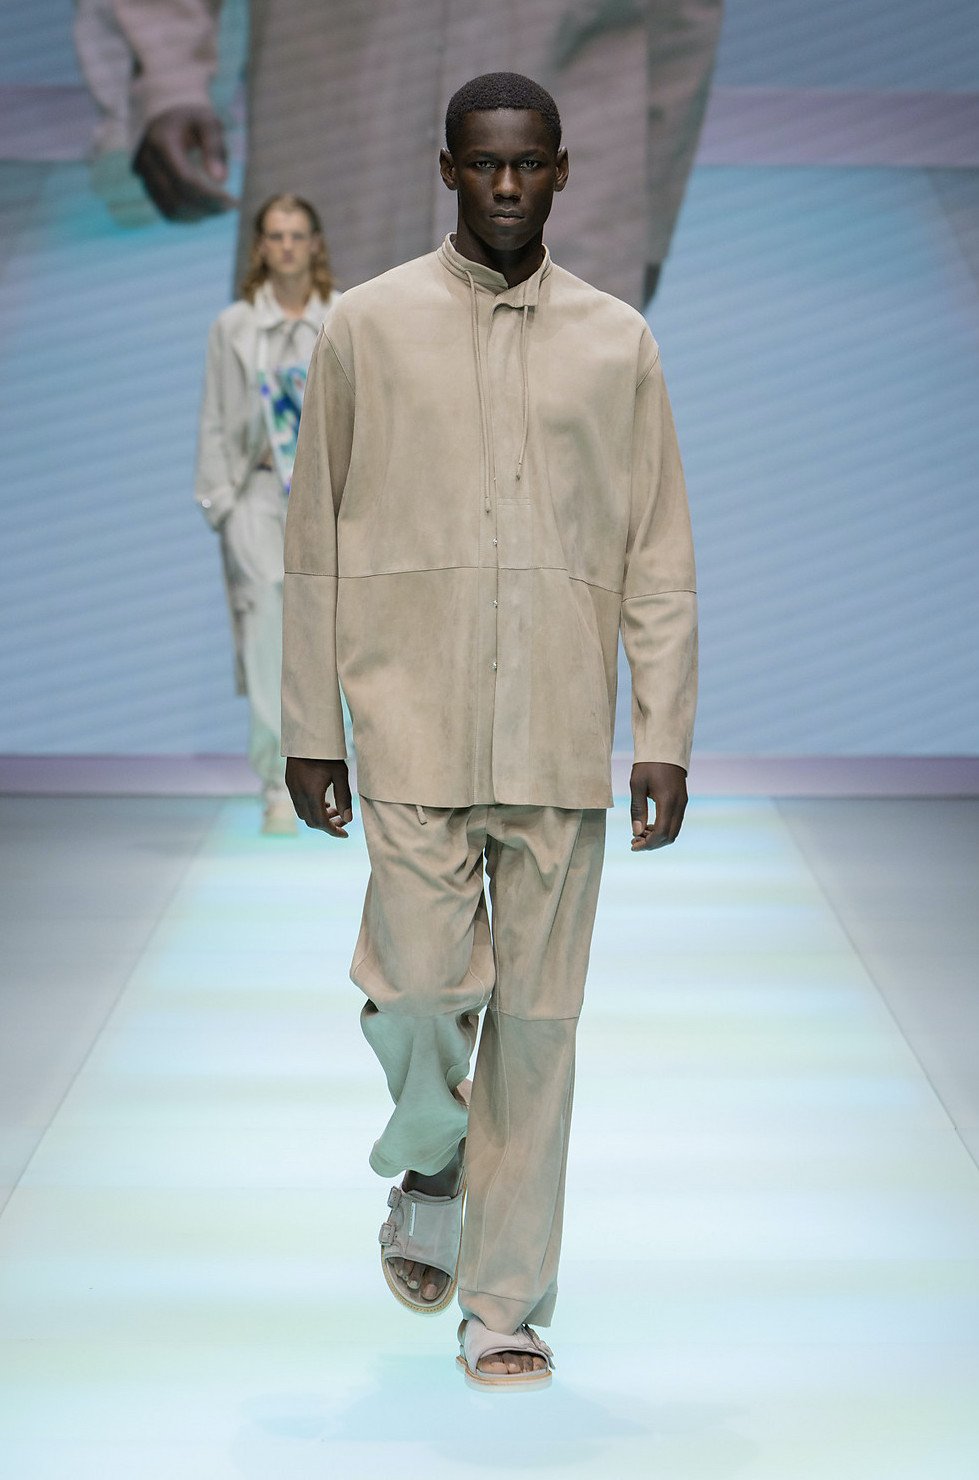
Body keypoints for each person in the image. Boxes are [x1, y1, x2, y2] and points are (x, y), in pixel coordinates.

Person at [283, 72, 697, 1388]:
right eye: (483, 163)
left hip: (558, 727)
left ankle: (503, 1305)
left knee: (538, 1027)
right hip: (407, 713)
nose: (506, 185)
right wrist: (308, 722)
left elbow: (657, 553)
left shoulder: (616, 342)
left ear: (561, 172)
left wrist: (664, 731)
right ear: (447, 169)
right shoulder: (365, 326)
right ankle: (431, 1150)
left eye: (527, 164)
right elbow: (310, 539)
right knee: (414, 989)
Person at [102, 0, 724, 308]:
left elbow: (682, 14)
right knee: (308, 487)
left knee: (557, 499)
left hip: (569, 194)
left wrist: (646, 220)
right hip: (336, 166)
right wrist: (166, 74)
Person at [195, 193, 340, 835]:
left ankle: (341, 776)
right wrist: (222, 506)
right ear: (260, 246)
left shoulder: (345, 317)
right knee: (264, 640)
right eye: (275, 236)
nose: (286, 246)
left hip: (329, 499)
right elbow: (216, 417)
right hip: (256, 496)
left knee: (337, 637)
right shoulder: (233, 327)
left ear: (315, 244)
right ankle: (276, 783)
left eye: (297, 235)